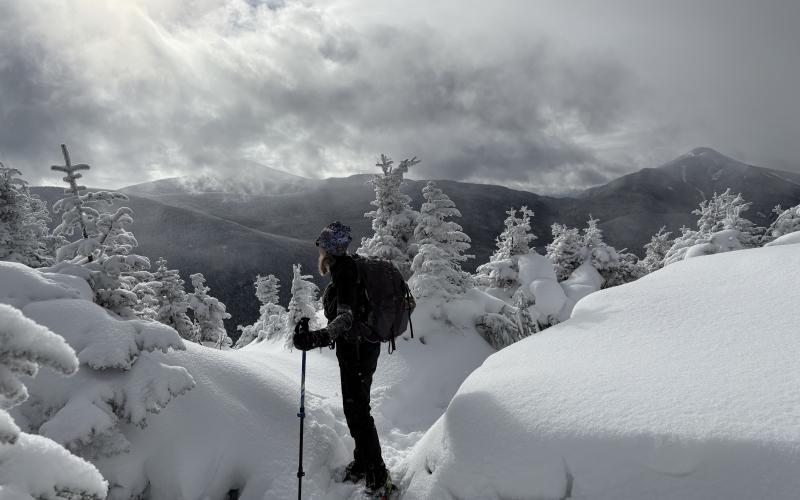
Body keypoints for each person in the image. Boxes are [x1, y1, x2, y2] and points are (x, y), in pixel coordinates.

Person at [292, 221, 394, 496]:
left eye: (321, 246)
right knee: (355, 410)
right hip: (362, 347)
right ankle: (363, 463)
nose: (319, 252)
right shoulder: (347, 266)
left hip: (357, 350)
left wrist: (316, 339)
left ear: (328, 250)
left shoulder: (346, 271)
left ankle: (378, 477)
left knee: (359, 413)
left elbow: (346, 318)